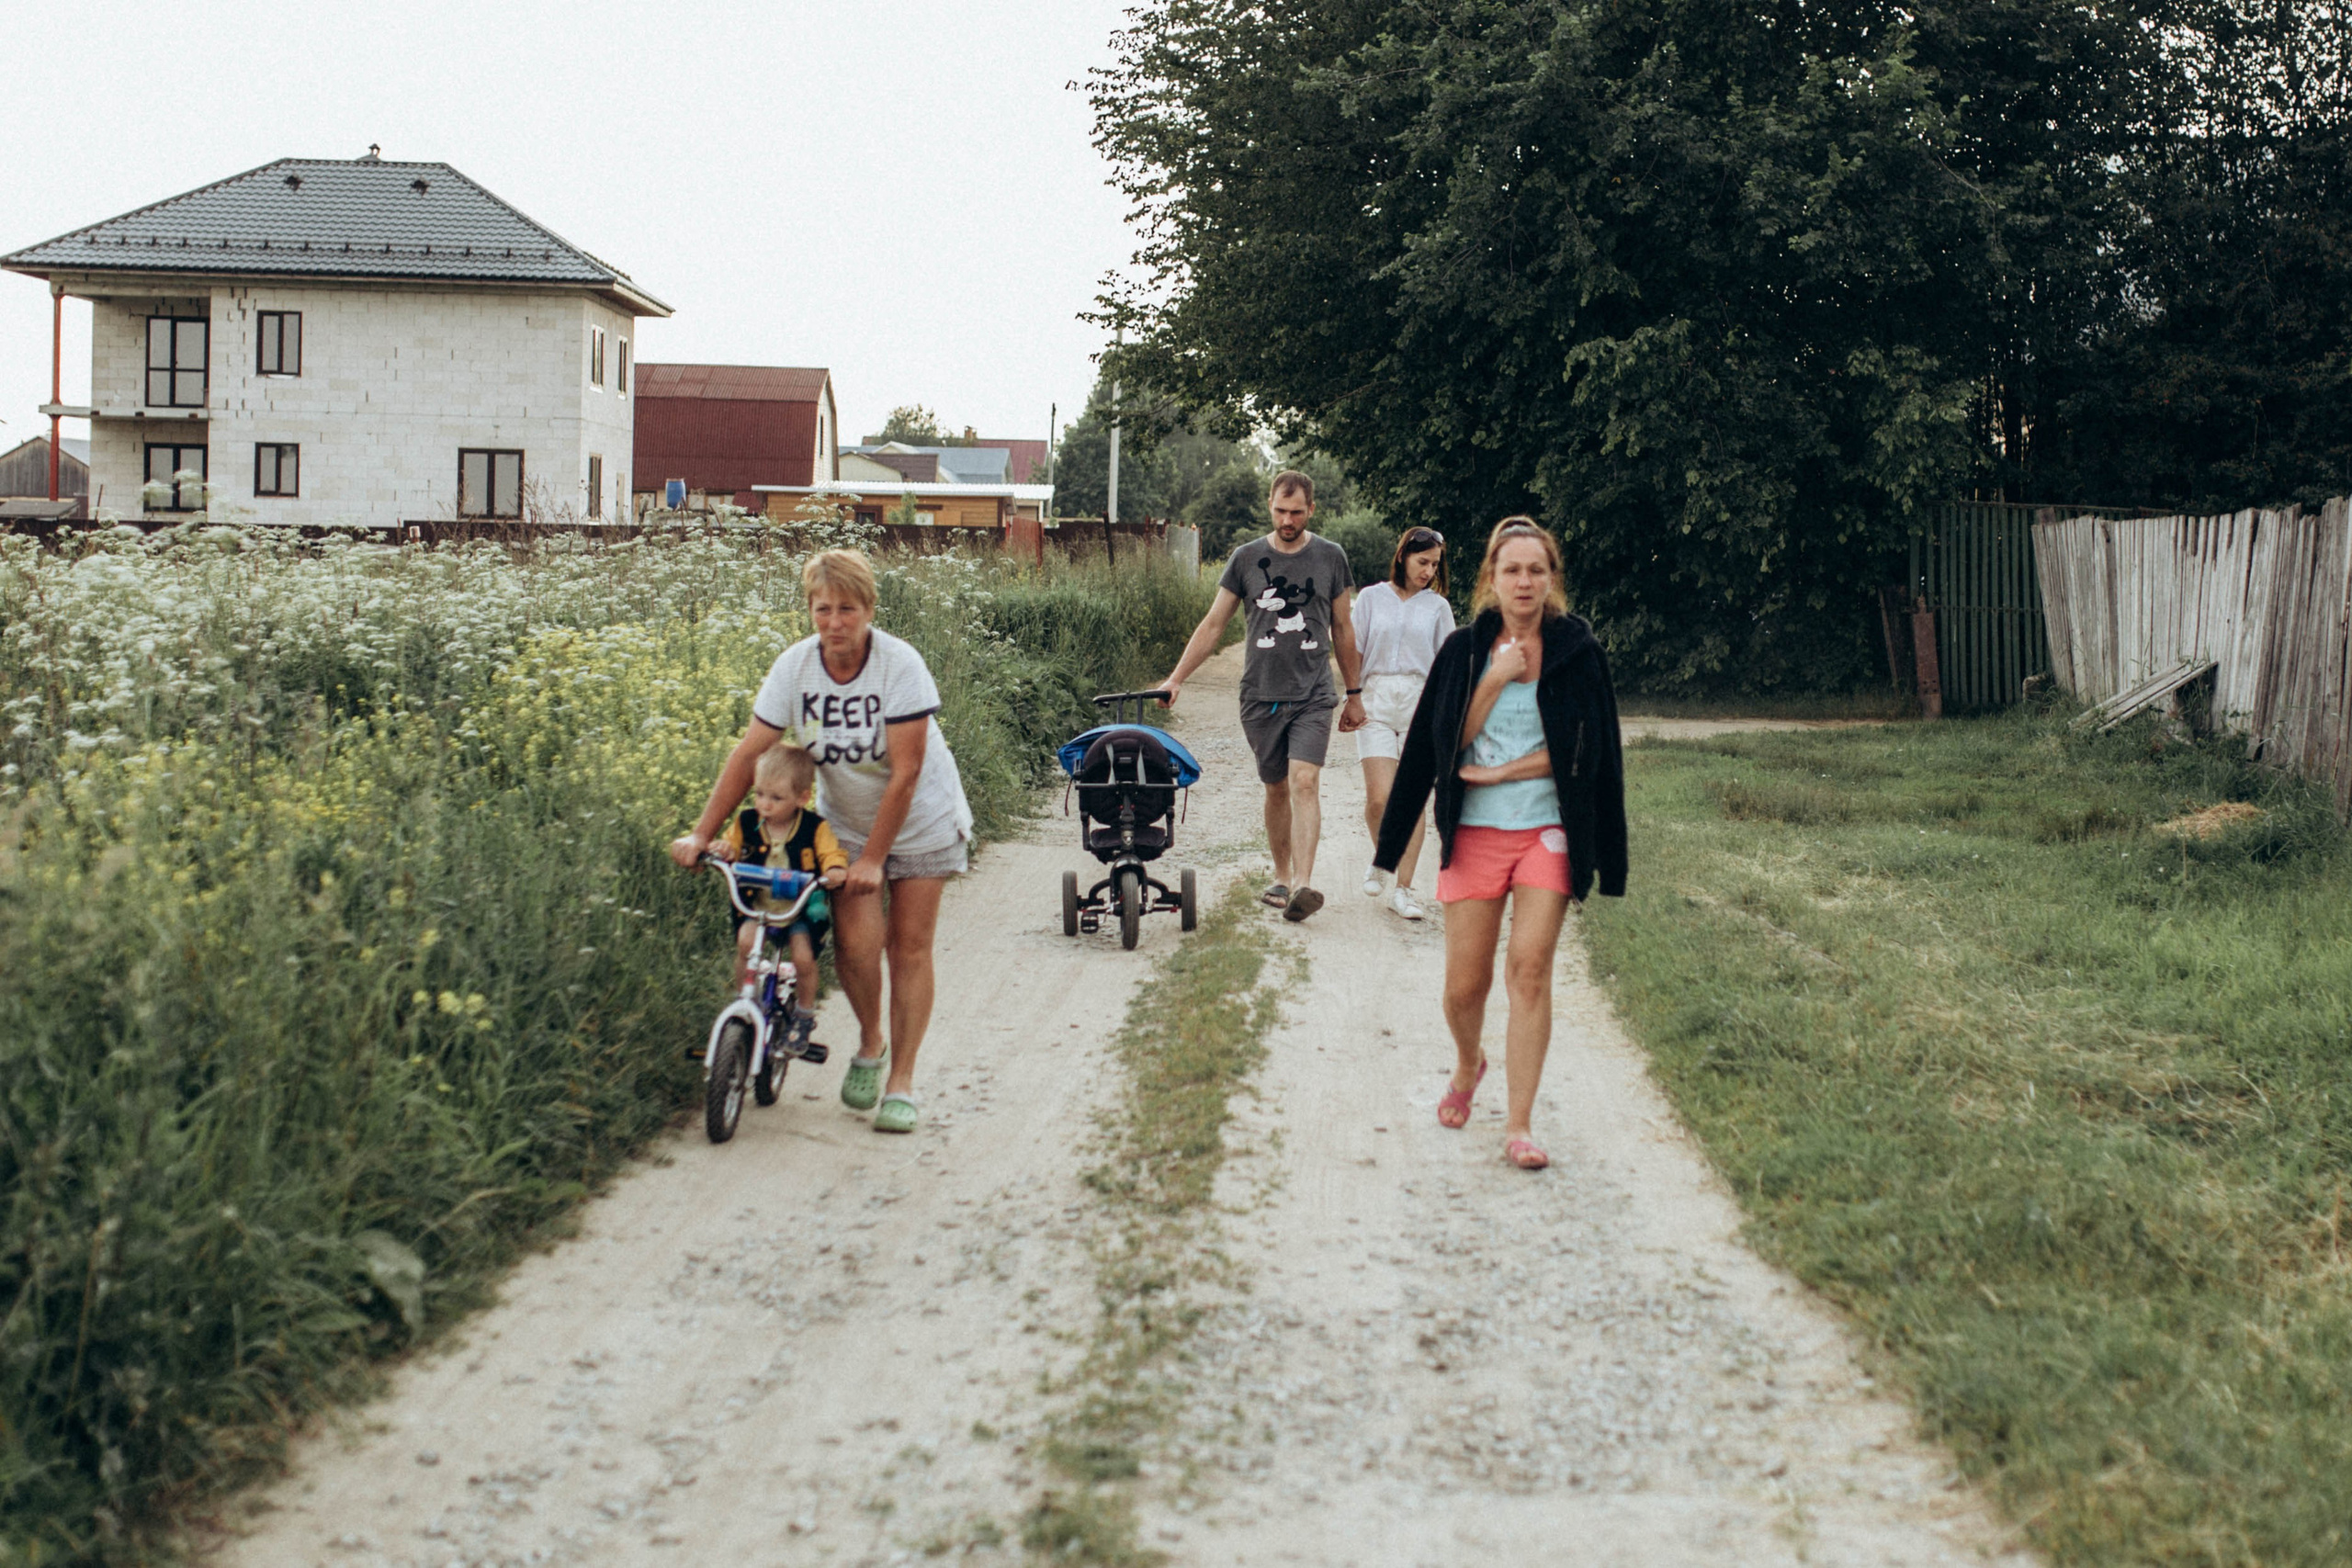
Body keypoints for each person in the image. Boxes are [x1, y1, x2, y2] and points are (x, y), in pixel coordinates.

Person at [671, 548, 973, 1134]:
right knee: (857, 949)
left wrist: (878, 860)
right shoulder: (796, 669)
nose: (835, 622)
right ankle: (870, 1042)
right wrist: (703, 833)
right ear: (810, 609)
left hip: (922, 819)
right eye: (823, 609)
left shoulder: (899, 666)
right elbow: (751, 752)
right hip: (849, 828)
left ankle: (901, 1082)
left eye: (848, 609)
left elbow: (906, 771)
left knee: (907, 948)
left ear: (869, 610)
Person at [1374, 518, 1626, 1169]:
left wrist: (1610, 857)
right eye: (1511, 569)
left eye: (1536, 570)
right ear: (1491, 577)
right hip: (1477, 833)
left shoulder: (1577, 650)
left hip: (1546, 833)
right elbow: (1436, 750)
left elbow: (1595, 755)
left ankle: (1519, 1124)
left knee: (1531, 970)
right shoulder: (1462, 651)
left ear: (1551, 579)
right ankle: (1468, 1063)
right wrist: (1493, 680)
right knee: (1464, 988)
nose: (1524, 581)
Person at [1157, 470, 1366, 922]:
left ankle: (1305, 884)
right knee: (1275, 788)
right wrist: (1176, 679)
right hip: (1259, 695)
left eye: (1296, 512)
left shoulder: (1331, 557)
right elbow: (1214, 625)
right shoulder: (1245, 558)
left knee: (1305, 782)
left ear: (1311, 509)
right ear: (1269, 505)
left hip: (1313, 694)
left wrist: (1354, 694)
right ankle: (1282, 875)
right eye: (1279, 510)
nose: (1287, 519)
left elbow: (1343, 628)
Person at [712, 742, 850, 1051]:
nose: (765, 804)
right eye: (760, 794)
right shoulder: (747, 822)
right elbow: (732, 845)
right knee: (745, 944)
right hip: (757, 905)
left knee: (803, 958)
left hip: (798, 911)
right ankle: (744, 996)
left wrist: (835, 868)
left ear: (802, 798)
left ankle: (803, 1013)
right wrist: (724, 850)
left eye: (776, 797)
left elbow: (830, 853)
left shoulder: (814, 828)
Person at [1351, 525, 1454, 921]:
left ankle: (1405, 890)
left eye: (1434, 564)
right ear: (1403, 556)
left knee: (1411, 802)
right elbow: (1353, 651)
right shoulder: (1371, 599)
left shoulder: (1438, 608)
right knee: (1379, 798)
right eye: (1422, 561)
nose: (1428, 570)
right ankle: (1383, 858)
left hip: (1420, 704)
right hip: (1375, 700)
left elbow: (1448, 664)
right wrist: (1352, 697)